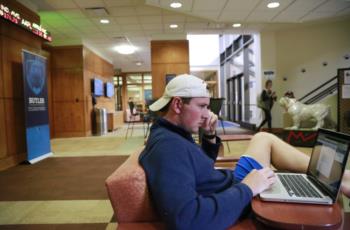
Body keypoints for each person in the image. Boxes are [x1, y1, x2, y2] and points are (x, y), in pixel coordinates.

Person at [139, 74, 310, 230]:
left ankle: (322, 178)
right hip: (236, 195)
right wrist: (248, 187)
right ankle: (328, 179)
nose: (208, 115)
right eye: (202, 106)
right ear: (177, 104)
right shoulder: (168, 148)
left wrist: (209, 135)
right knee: (266, 140)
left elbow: (201, 168)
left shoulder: (172, 132)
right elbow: (187, 219)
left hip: (231, 185)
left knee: (263, 138)